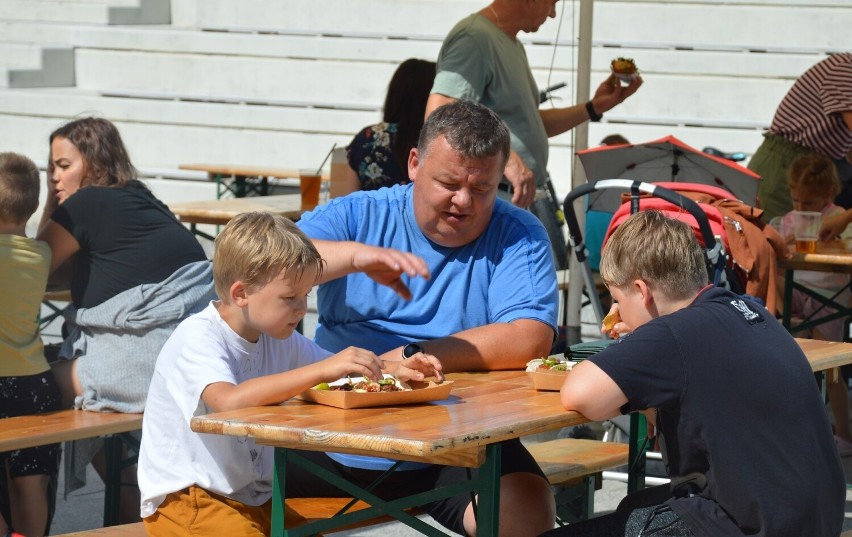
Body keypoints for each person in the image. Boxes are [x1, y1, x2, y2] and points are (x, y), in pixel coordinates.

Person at [296, 100, 558, 537]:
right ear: (414, 164)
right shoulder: (360, 213)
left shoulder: (518, 232)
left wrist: (415, 354)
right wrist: (357, 257)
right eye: (449, 183)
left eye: (482, 189)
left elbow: (530, 339)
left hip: (457, 442)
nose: (463, 201)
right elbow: (264, 265)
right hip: (326, 433)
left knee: (526, 510)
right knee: (204, 475)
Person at [137, 212, 443, 536]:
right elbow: (227, 401)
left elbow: (341, 374)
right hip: (190, 497)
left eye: (306, 295)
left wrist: (398, 370)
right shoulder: (198, 337)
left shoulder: (277, 336)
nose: (301, 308)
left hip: (254, 497)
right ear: (241, 294)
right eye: (289, 297)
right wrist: (323, 369)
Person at [542, 210, 845, 536]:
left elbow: (580, 394)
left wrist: (632, 344)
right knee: (634, 507)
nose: (617, 314)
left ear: (642, 291)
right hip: (813, 520)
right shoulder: (749, 310)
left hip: (748, 526)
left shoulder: (671, 333)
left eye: (618, 300)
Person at [36, 116, 216, 522]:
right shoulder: (143, 197)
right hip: (189, 359)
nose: (54, 178)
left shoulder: (85, 204)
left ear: (95, 161)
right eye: (50, 168)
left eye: (63, 166)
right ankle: (133, 512)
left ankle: (28, 519)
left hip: (142, 363)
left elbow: (34, 271)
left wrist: (52, 207)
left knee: (30, 387)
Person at [425, 0, 643, 210]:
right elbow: (439, 112)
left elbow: (531, 123)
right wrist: (505, 157)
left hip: (510, 196)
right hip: (489, 198)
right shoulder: (474, 38)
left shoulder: (511, 43)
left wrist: (593, 108)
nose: (553, 14)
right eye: (552, 3)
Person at [0, 153, 62, 537]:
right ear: (34, 206)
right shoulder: (40, 254)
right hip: (32, 381)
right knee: (31, 479)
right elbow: (44, 225)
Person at [776, 154, 852, 455]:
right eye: (796, 200)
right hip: (797, 291)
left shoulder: (840, 217)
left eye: (808, 203)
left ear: (827, 195)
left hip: (830, 295)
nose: (801, 208)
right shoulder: (789, 219)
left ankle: (845, 434)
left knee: (830, 368)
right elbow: (779, 258)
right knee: (772, 272)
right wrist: (788, 240)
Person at [749, 53, 852, 222]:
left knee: (814, 240)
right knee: (772, 239)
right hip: (789, 164)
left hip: (820, 166)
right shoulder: (845, 70)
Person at [338, 58, 437, 195]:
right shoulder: (437, 141)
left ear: (394, 95)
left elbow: (346, 200)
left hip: (372, 216)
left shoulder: (367, 138)